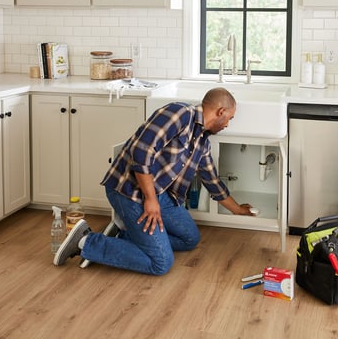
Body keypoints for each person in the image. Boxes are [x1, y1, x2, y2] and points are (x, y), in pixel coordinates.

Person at [53, 87, 254, 275]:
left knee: (189, 238)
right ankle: (86, 241)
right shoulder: (180, 114)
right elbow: (141, 150)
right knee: (160, 263)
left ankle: (124, 237)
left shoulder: (202, 141)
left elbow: (211, 179)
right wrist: (150, 199)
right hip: (129, 191)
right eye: (230, 118)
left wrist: (237, 210)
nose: (228, 124)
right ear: (220, 111)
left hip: (159, 194)